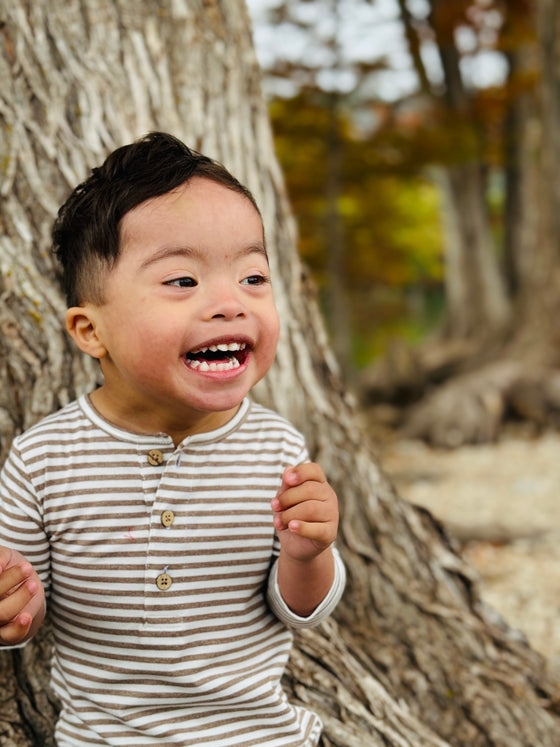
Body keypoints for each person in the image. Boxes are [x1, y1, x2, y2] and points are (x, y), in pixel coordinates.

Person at [0, 132, 345, 746]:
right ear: (90, 329)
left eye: (253, 277)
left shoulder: (275, 449)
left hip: (258, 736)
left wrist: (308, 554)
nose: (229, 304)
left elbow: (302, 610)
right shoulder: (45, 459)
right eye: (183, 281)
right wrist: (10, 611)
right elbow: (24, 606)